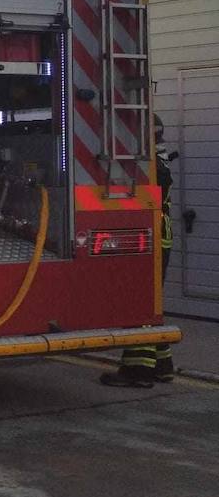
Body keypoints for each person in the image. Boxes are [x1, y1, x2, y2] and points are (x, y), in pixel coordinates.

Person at [102, 114, 176, 388]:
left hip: (152, 231)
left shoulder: (153, 164)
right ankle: (162, 364)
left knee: (140, 299)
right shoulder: (159, 158)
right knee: (152, 300)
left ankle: (138, 370)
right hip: (160, 231)